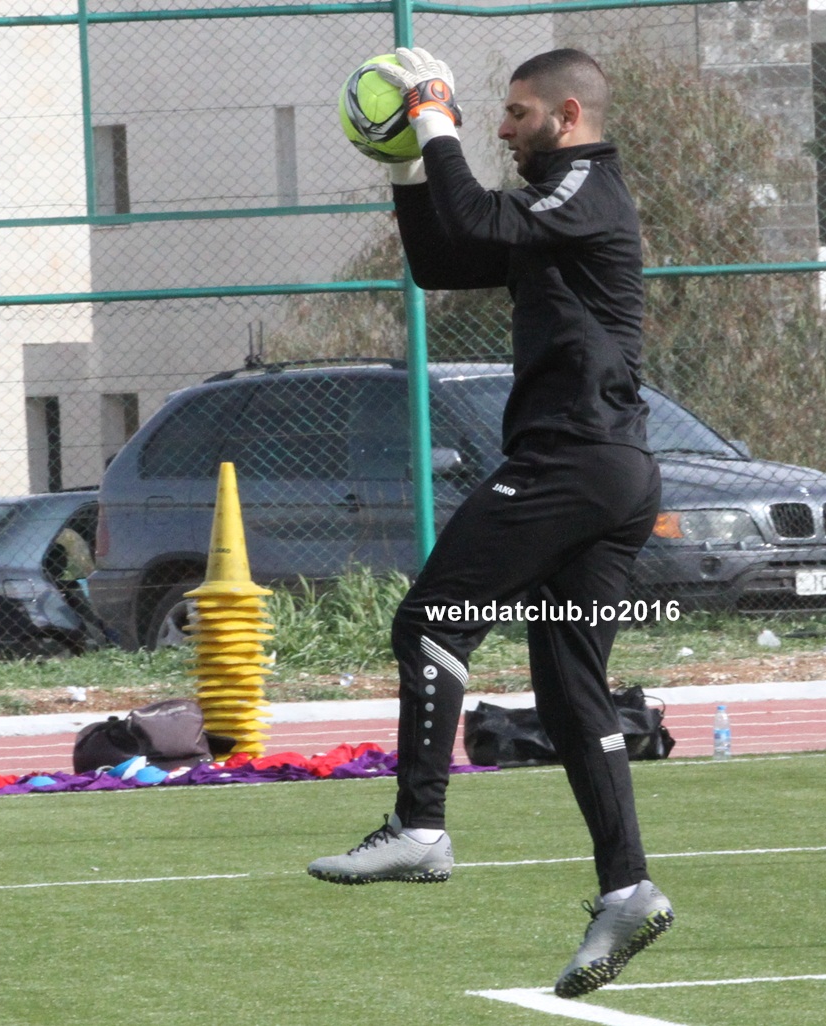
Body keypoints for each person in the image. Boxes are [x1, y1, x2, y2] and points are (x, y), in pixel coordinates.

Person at [306, 47, 674, 997]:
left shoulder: (587, 185)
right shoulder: (557, 205)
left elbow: (473, 211)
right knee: (571, 693)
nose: (502, 129)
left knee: (431, 620)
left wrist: (432, 114)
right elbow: (446, 258)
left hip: (575, 462)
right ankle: (628, 890)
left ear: (568, 115)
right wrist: (404, 163)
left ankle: (421, 826)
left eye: (516, 113)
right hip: (604, 470)